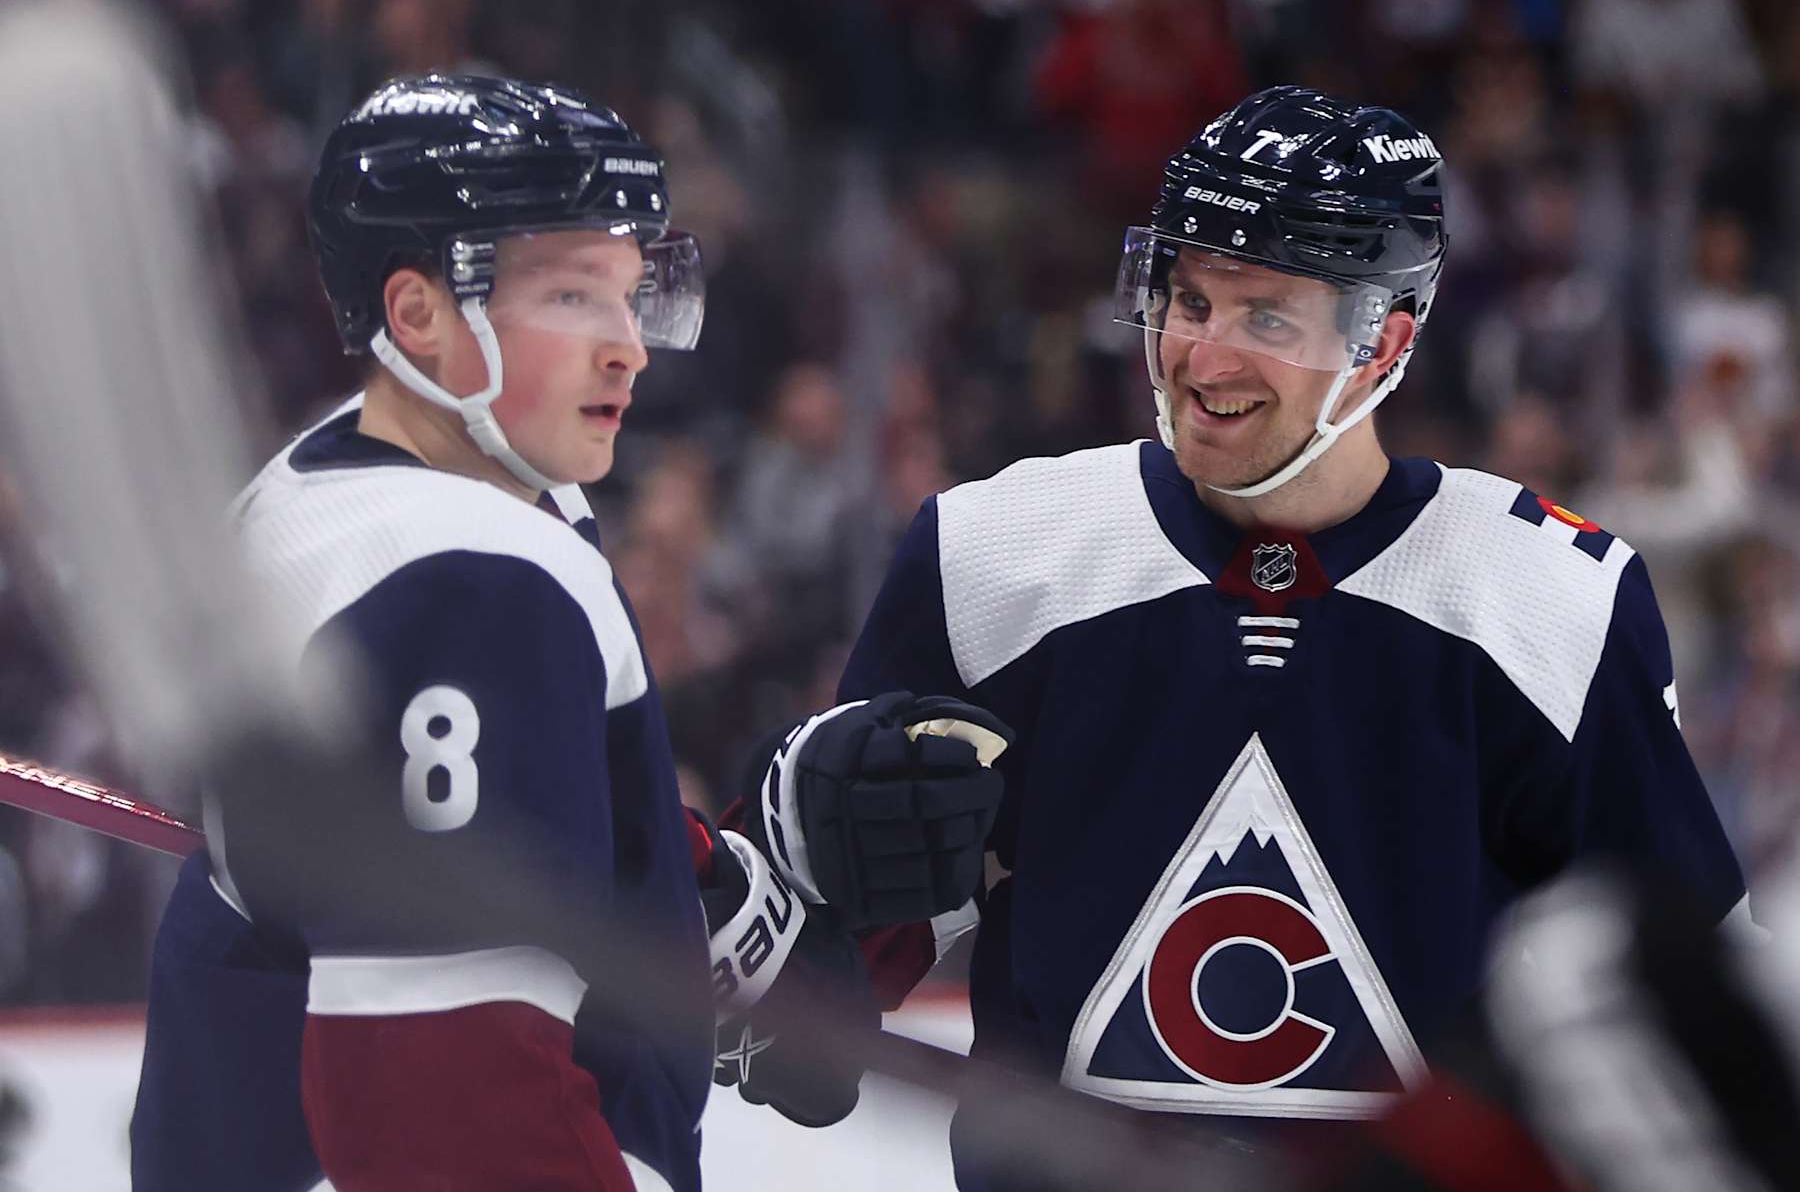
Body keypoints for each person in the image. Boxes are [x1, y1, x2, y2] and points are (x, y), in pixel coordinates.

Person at [742, 86, 1750, 1188]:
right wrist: (801, 867)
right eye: (1187, 298)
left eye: (1266, 316)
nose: (1202, 357)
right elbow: (808, 997)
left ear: (1384, 342)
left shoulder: (1550, 598)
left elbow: (1691, 1037)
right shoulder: (993, 554)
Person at [130, 72, 1007, 1192]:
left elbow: (508, 829)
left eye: (630, 293)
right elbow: (442, 1097)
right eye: (571, 299)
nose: (628, 347)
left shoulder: (347, 491)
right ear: (418, 315)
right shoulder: (473, 584)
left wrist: (702, 901)